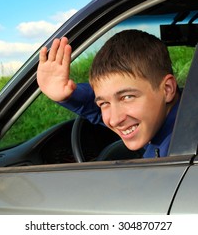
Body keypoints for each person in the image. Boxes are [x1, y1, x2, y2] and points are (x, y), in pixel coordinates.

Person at [37, 29, 181, 158]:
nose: (114, 120)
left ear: (167, 89)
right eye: (104, 103)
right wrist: (69, 95)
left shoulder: (177, 152)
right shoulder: (175, 120)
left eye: (127, 97)